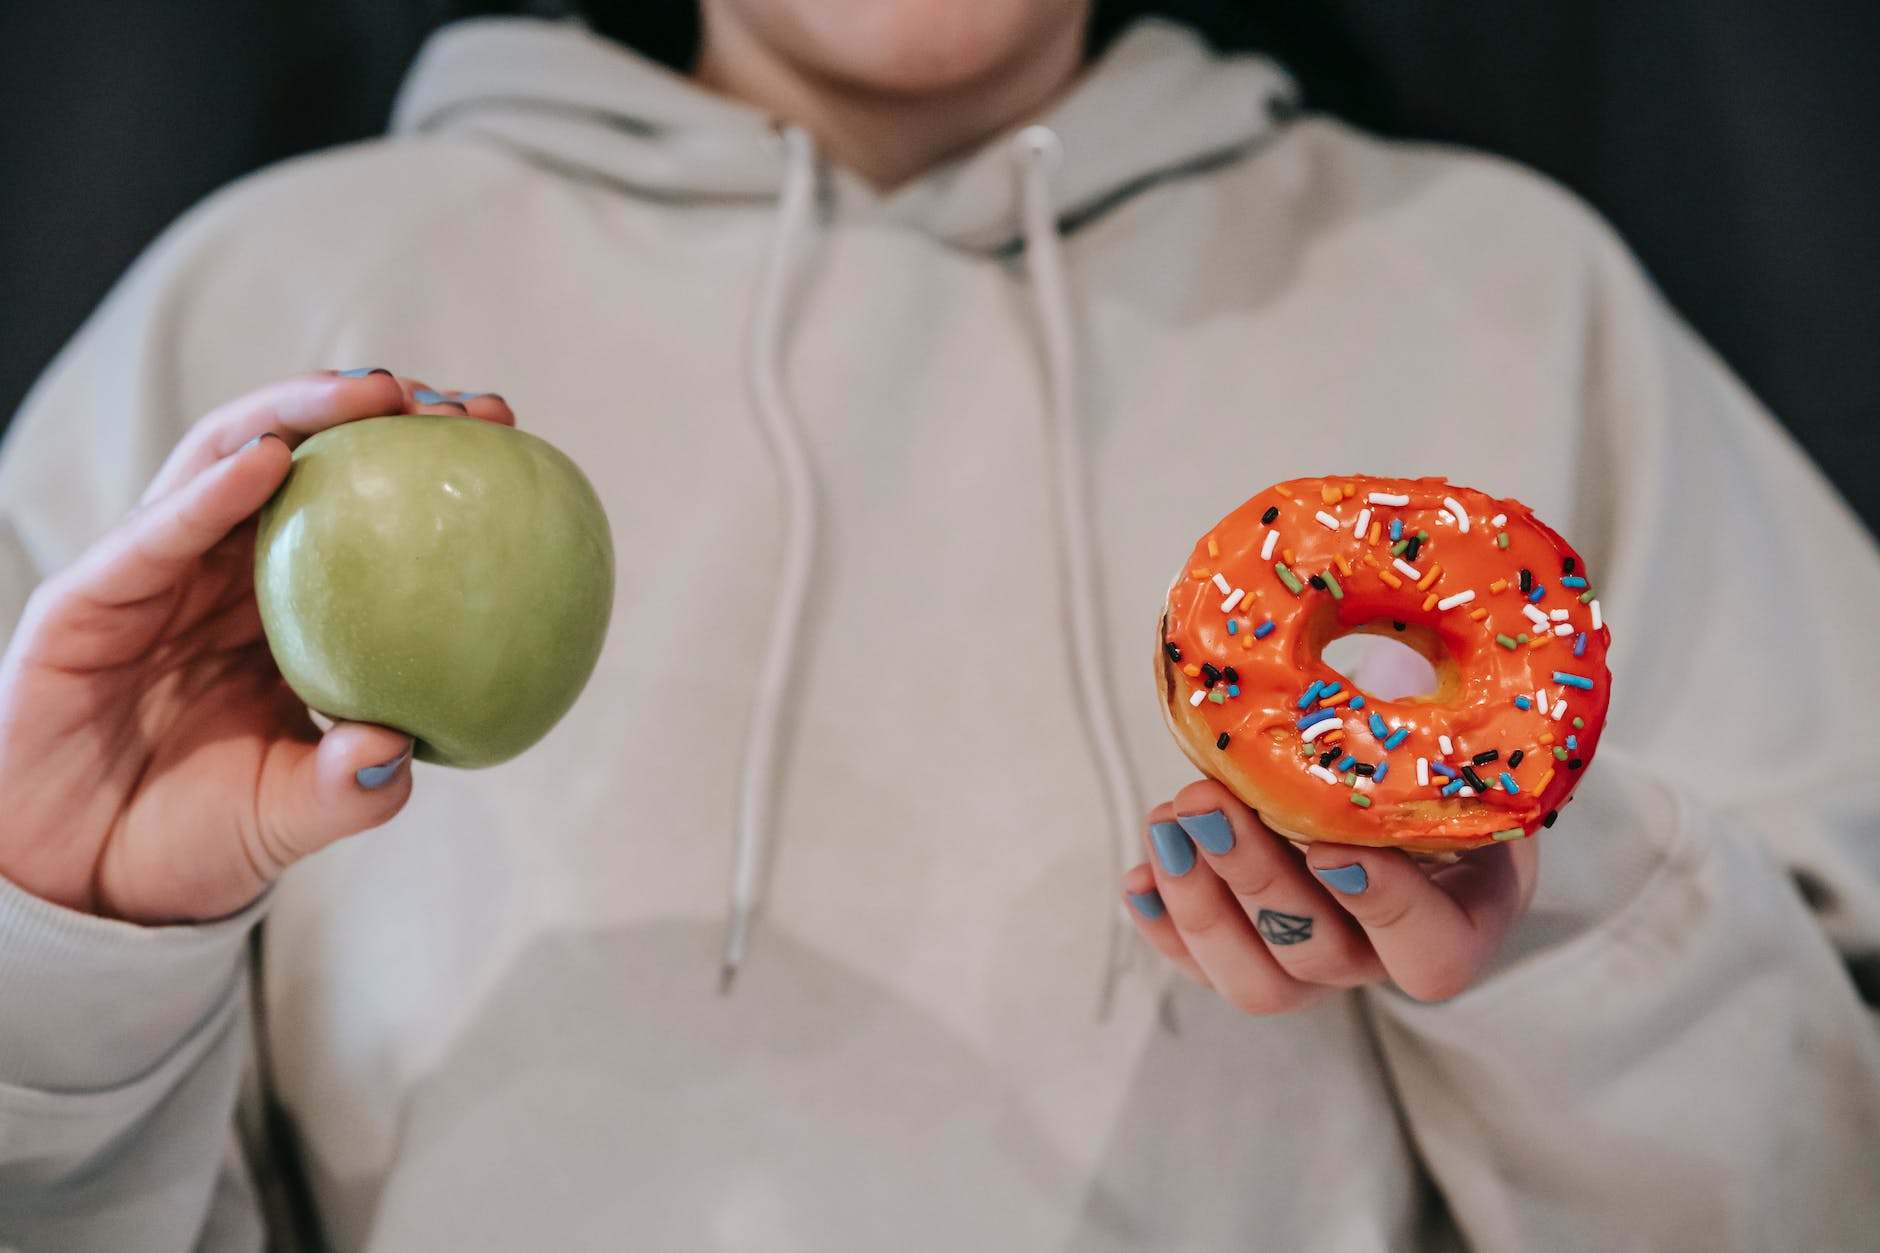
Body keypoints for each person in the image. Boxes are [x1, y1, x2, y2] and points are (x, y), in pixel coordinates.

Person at [0, 1, 1875, 1249]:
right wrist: (74, 977)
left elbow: (1822, 1189)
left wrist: (1566, 925)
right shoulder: (261, 322)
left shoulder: (1511, 294)